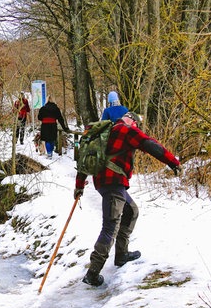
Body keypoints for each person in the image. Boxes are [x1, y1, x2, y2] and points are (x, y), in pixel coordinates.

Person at [73, 112, 182, 286]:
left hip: (103, 182)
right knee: (110, 226)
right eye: (137, 126)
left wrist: (79, 185)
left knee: (131, 211)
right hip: (114, 183)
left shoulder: (103, 132)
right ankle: (93, 273)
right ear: (134, 122)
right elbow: (150, 145)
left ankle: (122, 254)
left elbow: (86, 159)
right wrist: (172, 162)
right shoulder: (127, 130)